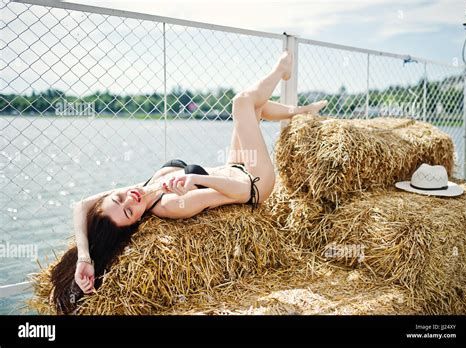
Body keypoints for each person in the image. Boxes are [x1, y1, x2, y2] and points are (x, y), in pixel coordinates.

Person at [50, 51, 327, 313]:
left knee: (256, 106)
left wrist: (84, 257)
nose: (128, 199)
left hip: (234, 164)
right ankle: (282, 70)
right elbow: (241, 194)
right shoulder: (170, 205)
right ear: (135, 221)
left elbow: (81, 205)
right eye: (127, 211)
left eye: (118, 198)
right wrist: (196, 178)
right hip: (254, 181)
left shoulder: (137, 189)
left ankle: (301, 112)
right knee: (243, 102)